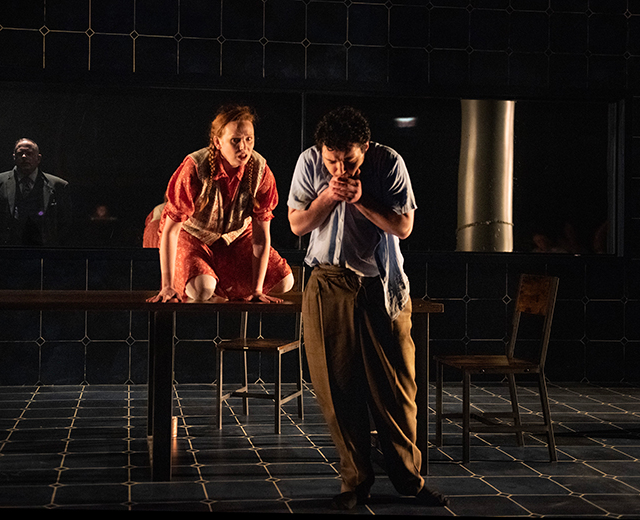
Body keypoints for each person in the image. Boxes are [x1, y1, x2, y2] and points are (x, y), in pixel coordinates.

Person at [287, 106, 447, 510]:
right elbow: (298, 224)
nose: (340, 167)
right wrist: (327, 196)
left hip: (380, 286)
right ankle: (354, 482)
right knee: (336, 388)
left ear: (366, 148)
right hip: (327, 281)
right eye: (332, 160)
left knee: (396, 389)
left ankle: (409, 481)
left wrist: (361, 199)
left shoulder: (388, 162)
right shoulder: (309, 162)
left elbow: (403, 227)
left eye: (349, 160)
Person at [150, 105, 293, 303]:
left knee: (285, 282)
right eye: (235, 140)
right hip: (193, 234)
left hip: (236, 237)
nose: (243, 147)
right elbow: (171, 230)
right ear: (218, 142)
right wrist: (167, 286)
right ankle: (207, 283)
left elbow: (260, 237)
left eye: (248, 139)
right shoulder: (195, 167)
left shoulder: (261, 170)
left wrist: (257, 290)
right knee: (201, 290)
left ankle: (222, 286)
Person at [0, 138, 72, 246]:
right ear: (14, 157)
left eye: (29, 153)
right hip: (7, 249)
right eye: (20, 154)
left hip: (44, 250)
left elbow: (66, 222)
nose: (24, 157)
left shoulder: (58, 185)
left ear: (38, 158)